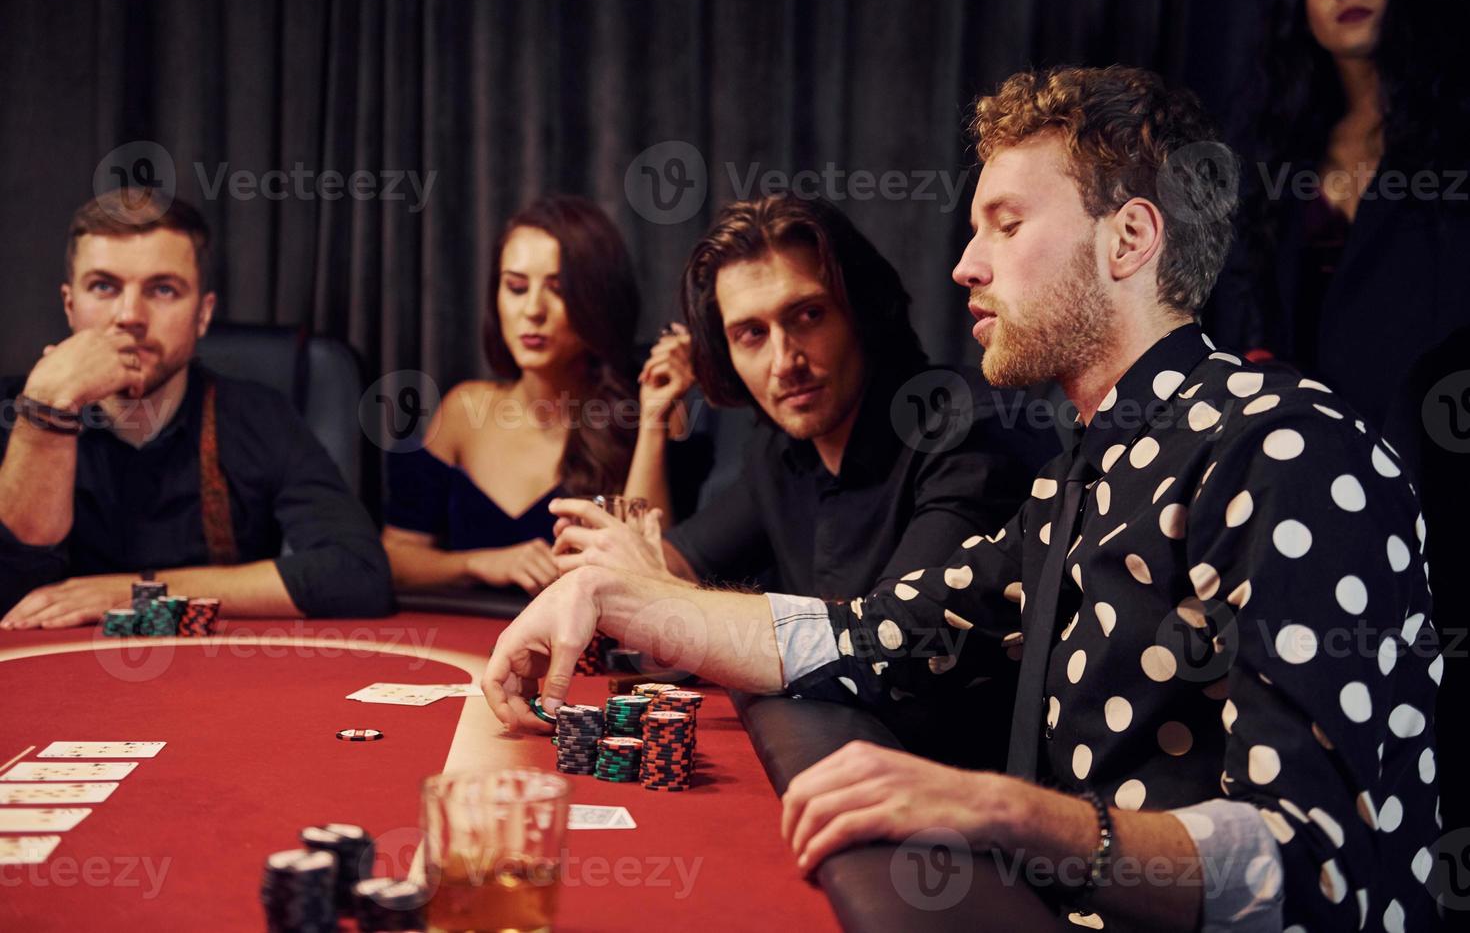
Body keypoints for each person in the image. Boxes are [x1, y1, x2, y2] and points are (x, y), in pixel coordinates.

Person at [483, 67, 1440, 930]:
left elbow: (1316, 869)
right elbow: (868, 636)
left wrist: (998, 809)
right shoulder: (1090, 465)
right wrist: (619, 600)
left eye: (1007, 224)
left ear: (1131, 239)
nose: (965, 265)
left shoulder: (1288, 446)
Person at [550, 194, 1055, 764]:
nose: (783, 361)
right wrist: (626, 566)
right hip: (831, 768)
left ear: (861, 310)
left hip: (956, 816)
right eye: (750, 334)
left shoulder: (964, 424)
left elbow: (887, 650)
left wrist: (649, 596)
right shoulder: (780, 445)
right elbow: (672, 563)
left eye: (808, 316)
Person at [1207, 0, 1469, 838]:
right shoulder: (1278, 137)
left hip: (1439, 462)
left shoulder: (1455, 129)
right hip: (1308, 462)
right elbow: (1244, 296)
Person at [0, 189, 392, 627]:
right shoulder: (9, 411)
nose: (129, 315)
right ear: (71, 306)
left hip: (214, 678)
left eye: (163, 289)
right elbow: (9, 585)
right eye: (104, 287)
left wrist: (139, 591)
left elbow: (357, 573)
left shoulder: (259, 416)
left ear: (203, 314)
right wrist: (47, 411)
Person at [380, 196, 694, 598]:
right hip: (466, 642)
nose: (532, 310)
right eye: (515, 287)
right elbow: (395, 559)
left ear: (597, 302)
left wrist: (652, 422)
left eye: (558, 290)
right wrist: (481, 562)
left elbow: (651, 575)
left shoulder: (645, 410)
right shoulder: (464, 409)